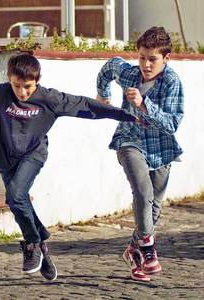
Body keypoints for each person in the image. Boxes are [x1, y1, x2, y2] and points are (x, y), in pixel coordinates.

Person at [0, 53, 139, 281]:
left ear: (37, 80)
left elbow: (84, 105)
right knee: (15, 201)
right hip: (4, 157)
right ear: (9, 79)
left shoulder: (50, 99)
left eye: (27, 87)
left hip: (33, 154)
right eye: (16, 85)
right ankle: (42, 250)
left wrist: (125, 115)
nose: (21, 92)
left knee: (17, 196)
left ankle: (31, 244)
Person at [96, 26, 184, 282]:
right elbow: (110, 66)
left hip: (161, 149)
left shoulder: (171, 82)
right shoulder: (130, 74)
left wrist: (144, 104)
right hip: (129, 141)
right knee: (143, 192)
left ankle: (133, 252)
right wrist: (103, 95)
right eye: (142, 57)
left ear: (166, 58)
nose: (145, 64)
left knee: (154, 208)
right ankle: (147, 249)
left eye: (152, 59)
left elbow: (172, 123)